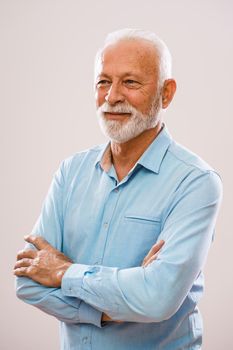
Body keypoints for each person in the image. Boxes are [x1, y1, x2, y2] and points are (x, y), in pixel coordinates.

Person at [14, 28, 222, 349]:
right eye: (103, 82)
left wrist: (65, 273)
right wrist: (119, 306)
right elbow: (28, 283)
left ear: (166, 94)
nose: (112, 96)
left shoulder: (195, 182)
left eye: (130, 82)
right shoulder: (71, 172)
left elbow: (157, 299)